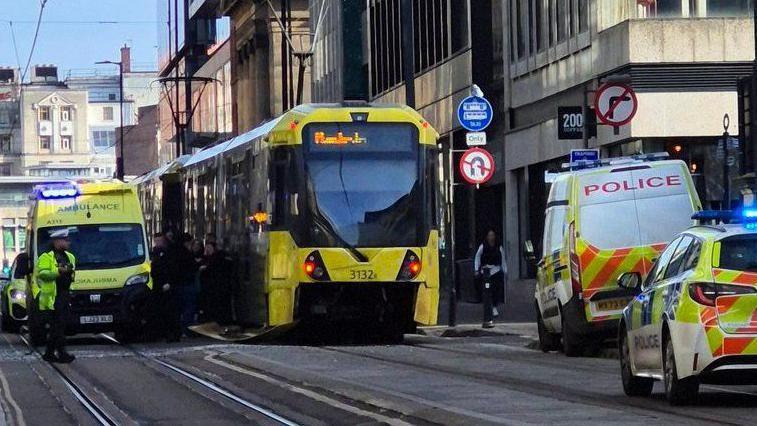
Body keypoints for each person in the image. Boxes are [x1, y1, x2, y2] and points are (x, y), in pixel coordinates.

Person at [37, 229, 76, 363]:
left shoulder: (70, 256)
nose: (68, 242)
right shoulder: (46, 257)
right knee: (58, 326)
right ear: (57, 241)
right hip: (52, 297)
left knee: (58, 326)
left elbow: (72, 273)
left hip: (64, 295)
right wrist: (58, 271)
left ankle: (49, 353)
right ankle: (62, 353)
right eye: (65, 240)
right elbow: (42, 274)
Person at [150, 232, 181, 342]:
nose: (158, 243)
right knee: (158, 311)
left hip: (167, 286)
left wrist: (170, 282)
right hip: (157, 285)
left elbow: (174, 269)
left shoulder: (169, 253)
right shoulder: (153, 253)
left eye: (159, 241)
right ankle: (160, 333)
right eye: (156, 241)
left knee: (170, 311)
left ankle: (172, 334)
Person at [474, 230, 507, 318]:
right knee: (487, 290)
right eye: (489, 235)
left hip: (495, 270)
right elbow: (477, 257)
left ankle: (494, 306)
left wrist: (505, 270)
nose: (491, 237)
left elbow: (503, 259)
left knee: (496, 289)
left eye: (493, 235)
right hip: (485, 272)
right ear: (487, 237)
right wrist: (476, 269)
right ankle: (488, 306)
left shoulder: (499, 247)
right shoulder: (483, 246)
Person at [199, 241, 233, 326]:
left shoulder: (216, 258)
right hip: (216, 286)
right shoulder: (217, 257)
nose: (207, 249)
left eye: (209, 247)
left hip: (216, 286)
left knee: (217, 305)